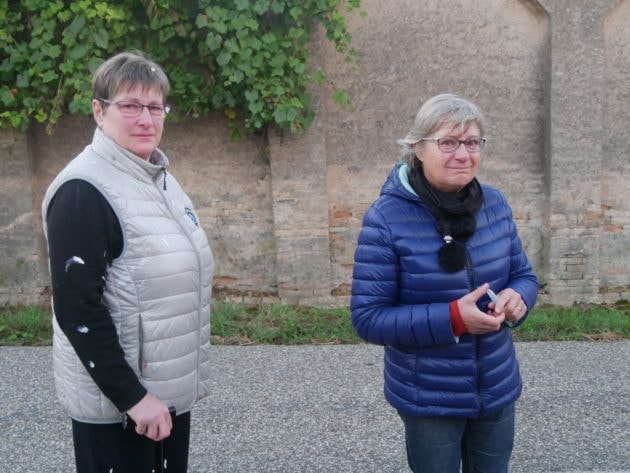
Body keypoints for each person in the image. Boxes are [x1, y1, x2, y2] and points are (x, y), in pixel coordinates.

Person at [41, 51, 214, 473]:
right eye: (130, 106)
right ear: (99, 112)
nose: (146, 119)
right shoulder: (84, 191)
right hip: (122, 410)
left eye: (155, 107)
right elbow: (78, 309)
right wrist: (134, 399)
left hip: (163, 397)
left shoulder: (157, 178)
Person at [350, 93, 539, 473]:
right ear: (419, 148)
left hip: (496, 386)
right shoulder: (387, 218)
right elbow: (368, 318)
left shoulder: (495, 204)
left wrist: (518, 297)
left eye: (472, 142)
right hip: (429, 396)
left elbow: (524, 275)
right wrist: (453, 318)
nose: (463, 154)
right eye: (448, 142)